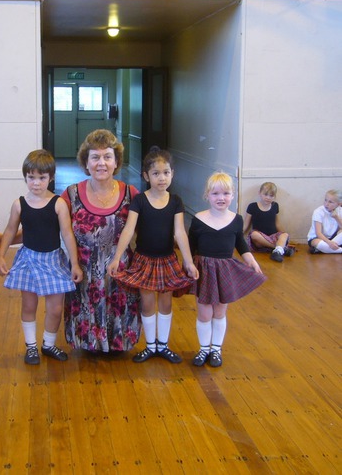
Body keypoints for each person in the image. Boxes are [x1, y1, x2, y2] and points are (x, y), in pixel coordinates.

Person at [107, 147, 199, 363]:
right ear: (146, 176)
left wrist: (188, 261)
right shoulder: (139, 200)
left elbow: (180, 233)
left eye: (166, 172)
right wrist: (116, 257)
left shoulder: (176, 201)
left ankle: (163, 345)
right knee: (147, 303)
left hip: (167, 260)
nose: (162, 178)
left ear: (173, 174)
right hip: (143, 260)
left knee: (165, 303)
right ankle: (150, 346)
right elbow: (128, 230)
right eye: (156, 173)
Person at [0, 149, 83, 365]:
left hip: (53, 261)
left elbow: (67, 234)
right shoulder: (19, 204)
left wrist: (75, 264)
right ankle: (31, 347)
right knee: (29, 306)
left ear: (51, 177)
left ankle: (48, 344)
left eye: (42, 178)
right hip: (28, 260)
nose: (36, 183)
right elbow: (9, 231)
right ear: (25, 177)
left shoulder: (58, 204)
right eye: (31, 178)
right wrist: (1, 256)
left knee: (55, 308)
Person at [61, 129, 142, 353]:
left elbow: (151, 227)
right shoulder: (71, 194)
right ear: (86, 163)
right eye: (95, 157)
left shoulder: (131, 193)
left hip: (119, 270)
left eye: (107, 156)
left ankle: (117, 342)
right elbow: (47, 226)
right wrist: (3, 240)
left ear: (116, 162)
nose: (101, 163)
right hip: (84, 271)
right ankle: (88, 343)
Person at [188, 171, 266, 368]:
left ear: (232, 195)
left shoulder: (237, 220)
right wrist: (188, 266)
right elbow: (190, 247)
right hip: (204, 270)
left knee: (220, 311)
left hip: (225, 270)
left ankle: (216, 349)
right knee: (204, 312)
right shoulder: (198, 219)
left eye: (225, 193)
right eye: (215, 194)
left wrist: (252, 261)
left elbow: (240, 244)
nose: (220, 198)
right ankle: (203, 348)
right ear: (207, 195)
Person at [243, 181, 295, 262]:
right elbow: (245, 225)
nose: (268, 198)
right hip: (259, 239)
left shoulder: (275, 206)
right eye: (265, 194)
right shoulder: (252, 206)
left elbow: (277, 223)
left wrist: (284, 235)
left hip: (273, 236)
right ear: (259, 193)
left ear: (274, 196)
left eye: (271, 196)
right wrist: (236, 237)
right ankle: (279, 249)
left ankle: (277, 251)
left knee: (285, 235)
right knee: (254, 234)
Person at [307, 189, 342, 254]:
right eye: (325, 200)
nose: (326, 204)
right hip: (318, 238)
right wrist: (329, 243)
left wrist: (336, 217)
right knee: (318, 243)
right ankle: (337, 249)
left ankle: (325, 249)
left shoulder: (340, 210)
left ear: (339, 204)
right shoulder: (318, 211)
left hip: (333, 237)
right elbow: (318, 233)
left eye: (330, 202)